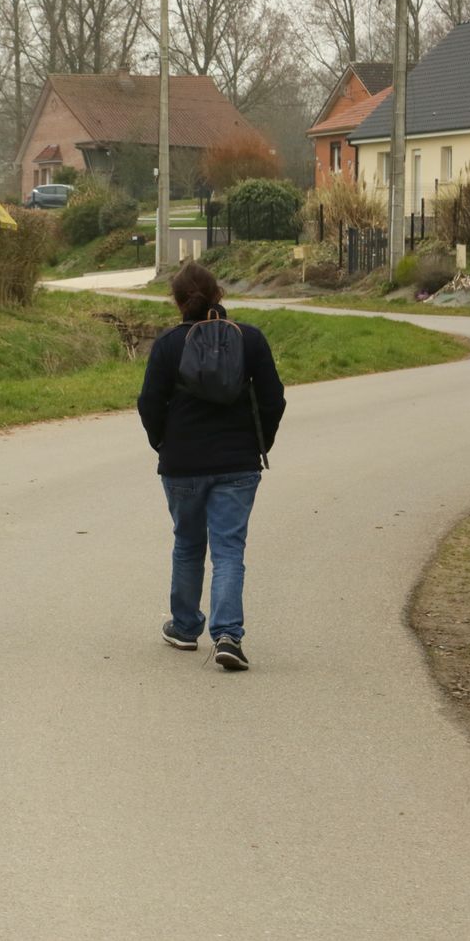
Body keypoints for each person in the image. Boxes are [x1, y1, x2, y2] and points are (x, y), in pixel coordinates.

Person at [136, 261, 286, 670]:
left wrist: (162, 443)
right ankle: (228, 636)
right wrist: (259, 443)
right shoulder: (249, 339)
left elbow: (149, 403)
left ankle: (185, 628)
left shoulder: (168, 345)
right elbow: (273, 399)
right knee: (228, 549)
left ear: (177, 301)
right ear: (218, 294)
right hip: (238, 463)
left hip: (182, 463)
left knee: (187, 544)